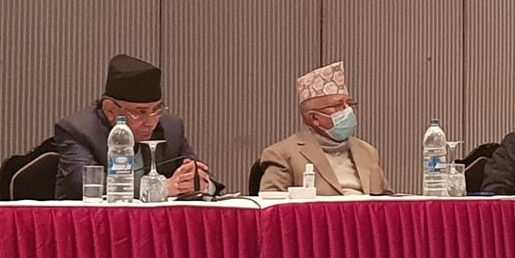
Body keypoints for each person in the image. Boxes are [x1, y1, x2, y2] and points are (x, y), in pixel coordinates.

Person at [55, 54, 219, 199]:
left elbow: (202, 176)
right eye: (140, 112)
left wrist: (200, 184)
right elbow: (86, 184)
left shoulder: (171, 128)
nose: (151, 121)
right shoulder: (78, 130)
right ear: (110, 110)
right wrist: (160, 189)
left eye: (157, 110)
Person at [259, 61, 391, 195]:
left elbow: (388, 200)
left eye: (349, 104)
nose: (348, 111)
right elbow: (271, 203)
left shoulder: (367, 151)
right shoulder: (283, 154)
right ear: (314, 118)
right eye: (338, 106)